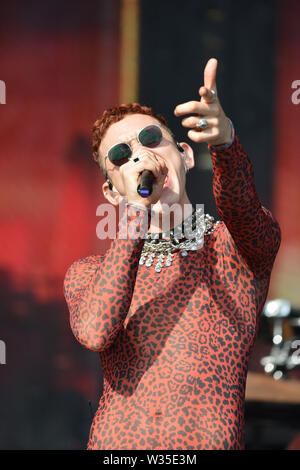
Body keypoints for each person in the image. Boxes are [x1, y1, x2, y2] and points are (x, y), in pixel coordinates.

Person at [63, 58, 281, 450]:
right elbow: (97, 331)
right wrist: (137, 210)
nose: (140, 158)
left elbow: (242, 209)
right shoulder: (88, 273)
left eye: (150, 139)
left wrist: (225, 144)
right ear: (112, 193)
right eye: (120, 156)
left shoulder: (231, 249)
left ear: (185, 154)